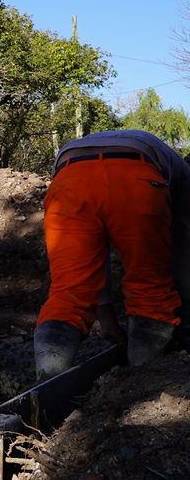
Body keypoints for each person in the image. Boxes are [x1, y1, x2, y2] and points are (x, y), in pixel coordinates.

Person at [34, 129, 187, 381]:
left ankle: (48, 379)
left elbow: (94, 257)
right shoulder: (182, 173)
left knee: (69, 292)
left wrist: (106, 317)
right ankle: (142, 376)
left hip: (69, 179)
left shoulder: (94, 144)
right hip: (136, 176)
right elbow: (184, 245)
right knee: (150, 285)